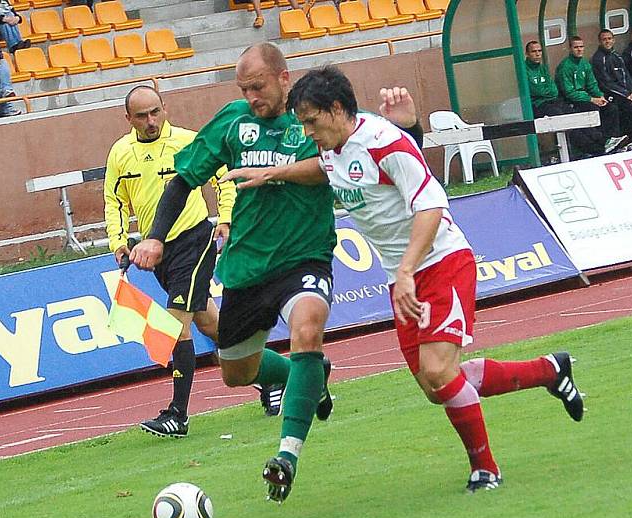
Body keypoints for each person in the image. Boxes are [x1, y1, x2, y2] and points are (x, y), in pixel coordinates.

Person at [223, 66, 586, 494]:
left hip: (440, 262)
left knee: (438, 371)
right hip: (405, 277)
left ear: (337, 109)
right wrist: (275, 174)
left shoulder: (385, 142)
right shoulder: (333, 147)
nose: (307, 131)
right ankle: (549, 369)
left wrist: (409, 270)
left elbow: (431, 205)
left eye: (311, 121)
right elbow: (323, 169)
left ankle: (485, 469)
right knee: (438, 386)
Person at [128, 43, 336, 502]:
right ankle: (309, 378)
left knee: (307, 328)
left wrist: (278, 173)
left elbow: (337, 164)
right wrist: (156, 237)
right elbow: (183, 178)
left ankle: (287, 454)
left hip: (304, 255)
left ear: (284, 78)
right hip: (246, 263)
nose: (252, 96)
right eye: (244, 88)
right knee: (236, 373)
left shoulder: (313, 115)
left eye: (258, 86)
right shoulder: (233, 121)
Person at [105, 86, 285, 436]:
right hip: (157, 253)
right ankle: (273, 378)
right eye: (141, 116)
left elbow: (223, 179)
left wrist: (226, 217)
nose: (150, 121)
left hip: (194, 240)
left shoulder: (188, 141)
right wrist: (118, 241)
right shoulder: (120, 153)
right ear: (128, 119)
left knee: (176, 327)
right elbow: (114, 201)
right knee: (213, 327)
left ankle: (178, 414)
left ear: (165, 108)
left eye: (155, 112)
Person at [524, 39, 605, 157]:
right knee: (562, 118)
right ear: (527, 54)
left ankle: (601, 142)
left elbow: (553, 90)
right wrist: (544, 91)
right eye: (533, 51)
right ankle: (592, 149)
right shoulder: (525, 70)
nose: (537, 54)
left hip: (552, 101)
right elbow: (536, 91)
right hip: (537, 105)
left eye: (539, 51)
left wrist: (544, 91)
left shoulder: (542, 67)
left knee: (573, 114)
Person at [556, 35, 627, 154]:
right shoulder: (565, 67)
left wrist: (600, 96)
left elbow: (592, 84)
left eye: (581, 47)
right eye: (576, 47)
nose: (579, 49)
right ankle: (601, 143)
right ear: (570, 49)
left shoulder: (585, 64)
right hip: (573, 101)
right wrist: (591, 99)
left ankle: (613, 140)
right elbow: (569, 93)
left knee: (610, 107)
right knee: (592, 109)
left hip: (588, 97)